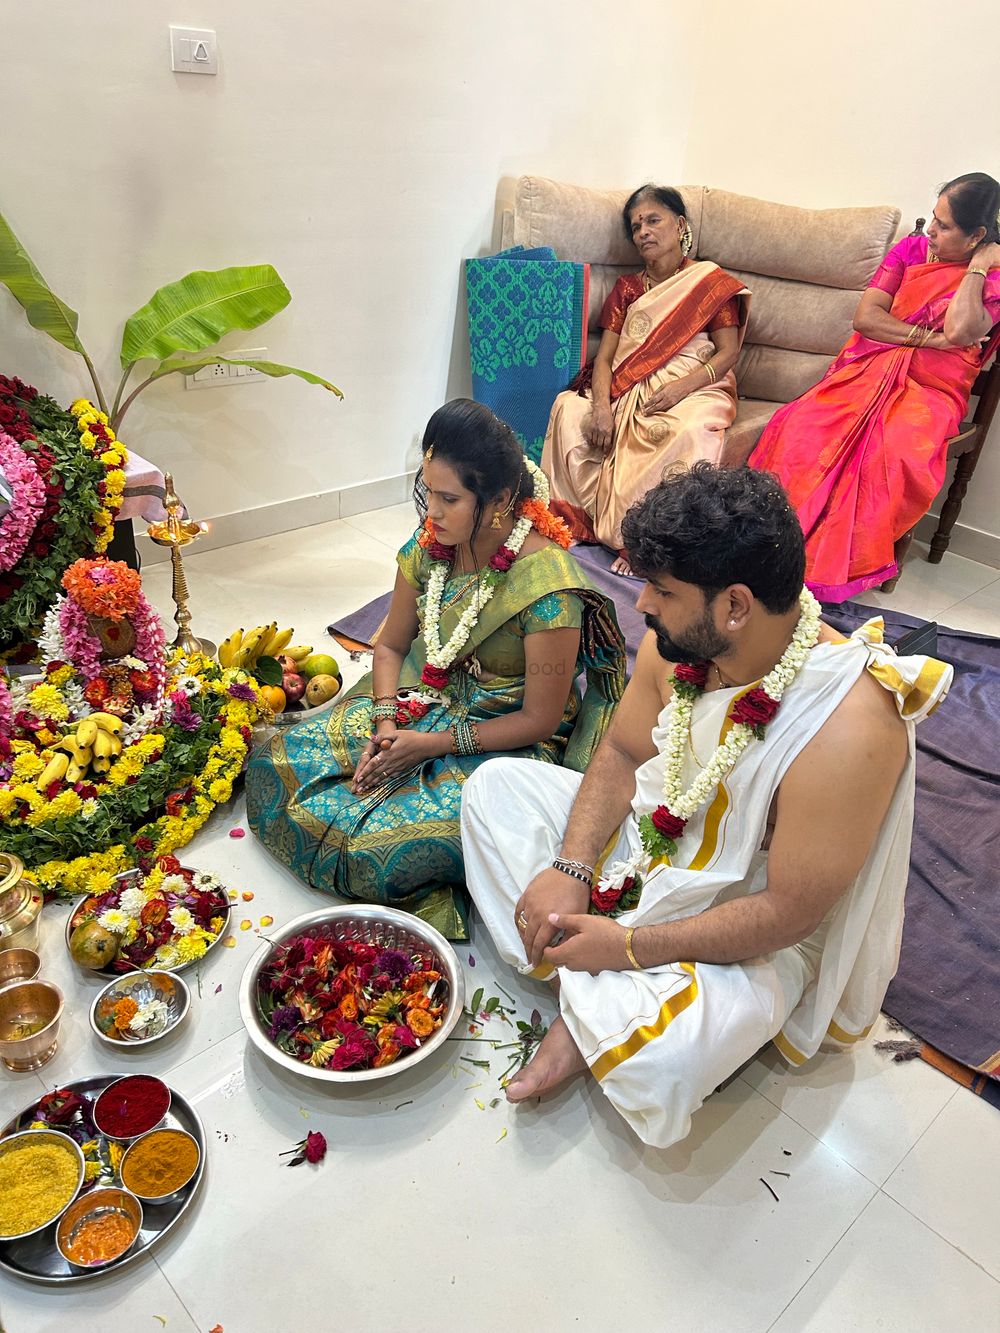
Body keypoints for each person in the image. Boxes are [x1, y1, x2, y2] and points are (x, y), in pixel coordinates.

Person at [461, 463, 952, 1148]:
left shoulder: (847, 723)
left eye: (661, 590)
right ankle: (599, 996)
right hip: (649, 846)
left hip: (743, 914)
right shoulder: (683, 645)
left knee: (664, 1064)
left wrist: (627, 946)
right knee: (493, 791)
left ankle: (586, 1005)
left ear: (735, 606)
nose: (641, 606)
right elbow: (625, 755)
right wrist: (572, 868)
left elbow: (788, 914)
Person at [246, 400, 625, 940]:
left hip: (503, 736)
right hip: (420, 694)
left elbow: (540, 721)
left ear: (498, 502)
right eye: (429, 493)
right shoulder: (431, 547)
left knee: (386, 847)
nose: (434, 514)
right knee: (273, 768)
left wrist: (430, 745)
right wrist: (386, 727)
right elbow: (390, 648)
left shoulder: (549, 587)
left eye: (450, 499)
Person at [750, 171, 1000, 601]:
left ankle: (833, 564)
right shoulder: (912, 250)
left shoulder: (992, 277)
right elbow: (866, 319)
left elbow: (960, 330)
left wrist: (976, 269)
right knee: (798, 426)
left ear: (978, 235)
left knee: (893, 451)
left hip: (933, 392)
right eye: (933, 219)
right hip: (868, 369)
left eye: (944, 225)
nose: (933, 231)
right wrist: (929, 338)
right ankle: (765, 543)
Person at [542, 184, 750, 577]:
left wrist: (681, 387)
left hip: (697, 383)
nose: (643, 232)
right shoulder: (627, 289)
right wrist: (601, 407)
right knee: (567, 407)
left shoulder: (709, 284)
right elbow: (604, 359)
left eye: (653, 220)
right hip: (626, 384)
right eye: (636, 227)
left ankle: (644, 540)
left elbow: (727, 352)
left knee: (684, 430)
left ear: (680, 224)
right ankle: (578, 521)